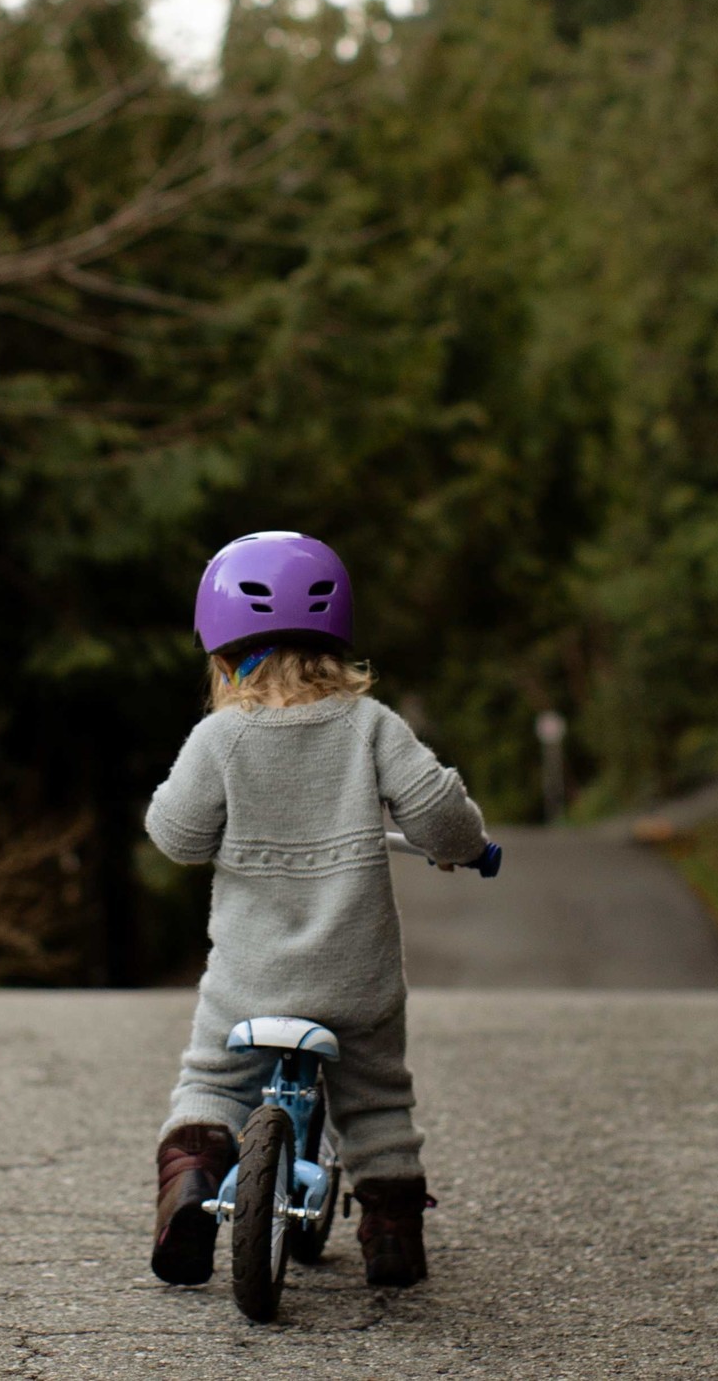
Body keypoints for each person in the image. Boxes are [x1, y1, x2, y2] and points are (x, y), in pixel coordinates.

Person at [145, 529, 490, 1290]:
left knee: (211, 1080)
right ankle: (393, 1230)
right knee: (374, 1101)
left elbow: (175, 836)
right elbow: (440, 816)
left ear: (221, 649)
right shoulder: (372, 726)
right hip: (355, 980)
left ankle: (189, 1186)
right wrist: (468, 847)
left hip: (249, 981)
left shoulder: (221, 737)